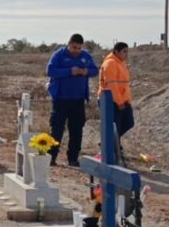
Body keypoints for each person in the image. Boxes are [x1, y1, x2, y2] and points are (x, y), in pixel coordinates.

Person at [46, 34, 99, 167]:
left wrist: (86, 71)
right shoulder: (59, 55)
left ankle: (73, 158)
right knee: (57, 129)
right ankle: (51, 157)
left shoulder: (85, 56)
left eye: (79, 48)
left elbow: (95, 70)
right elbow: (51, 70)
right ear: (69, 44)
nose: (77, 50)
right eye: (74, 47)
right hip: (61, 99)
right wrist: (70, 71)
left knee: (76, 130)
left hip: (78, 99)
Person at [98, 41, 135, 161]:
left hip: (123, 101)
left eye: (127, 51)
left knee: (128, 123)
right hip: (111, 102)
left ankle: (109, 144)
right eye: (124, 51)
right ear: (116, 51)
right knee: (114, 127)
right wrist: (119, 102)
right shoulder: (110, 63)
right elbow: (112, 86)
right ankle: (112, 150)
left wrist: (126, 100)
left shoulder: (121, 63)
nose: (126, 54)